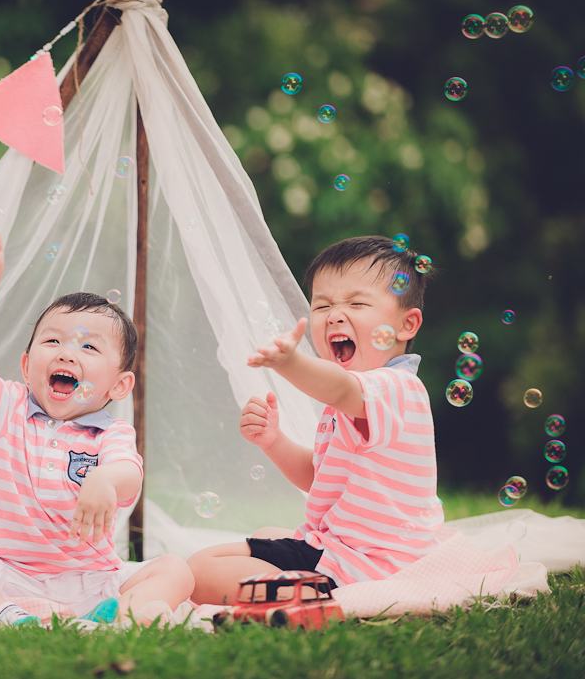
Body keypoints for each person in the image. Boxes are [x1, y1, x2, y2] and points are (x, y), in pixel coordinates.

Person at [0, 227, 194, 625]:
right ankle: (5, 616)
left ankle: (116, 619)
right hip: (10, 575)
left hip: (94, 581)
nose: (67, 352)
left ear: (119, 385)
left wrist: (104, 480)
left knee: (177, 570)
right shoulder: (5, 408)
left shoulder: (109, 434)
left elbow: (129, 476)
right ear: (26, 364)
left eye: (88, 346)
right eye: (52, 342)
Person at [188, 235, 442, 604]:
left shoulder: (395, 389)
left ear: (407, 325)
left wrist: (290, 364)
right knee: (268, 532)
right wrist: (274, 442)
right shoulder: (353, 400)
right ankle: (308, 591)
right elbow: (320, 479)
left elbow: (338, 388)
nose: (336, 315)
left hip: (367, 565)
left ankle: (318, 597)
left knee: (200, 568)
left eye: (357, 302)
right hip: (351, 553)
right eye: (322, 306)